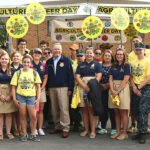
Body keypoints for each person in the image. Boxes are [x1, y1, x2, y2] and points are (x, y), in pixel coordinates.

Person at [44, 43, 74, 138]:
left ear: (61, 50)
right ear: (52, 51)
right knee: (55, 109)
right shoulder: (48, 62)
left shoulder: (66, 60)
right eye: (55, 49)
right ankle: (57, 126)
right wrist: (47, 88)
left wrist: (70, 88)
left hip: (63, 88)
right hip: (52, 88)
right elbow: (47, 77)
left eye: (58, 49)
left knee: (63, 109)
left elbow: (71, 76)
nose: (57, 51)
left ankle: (65, 128)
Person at [11, 55, 41, 142]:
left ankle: (33, 133)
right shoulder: (18, 73)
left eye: (28, 62)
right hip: (21, 96)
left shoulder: (34, 73)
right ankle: (24, 134)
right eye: (24, 62)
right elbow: (13, 87)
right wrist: (14, 99)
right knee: (23, 116)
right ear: (22, 62)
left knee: (33, 116)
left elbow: (38, 87)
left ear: (30, 63)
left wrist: (38, 98)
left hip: (31, 97)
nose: (26, 63)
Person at [76, 47, 102, 139]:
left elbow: (99, 76)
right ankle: (86, 129)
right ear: (85, 54)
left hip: (93, 87)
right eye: (87, 53)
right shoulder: (80, 65)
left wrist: (91, 86)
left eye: (90, 53)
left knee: (91, 109)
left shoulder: (97, 64)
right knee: (84, 109)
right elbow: (78, 77)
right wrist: (85, 87)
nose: (89, 55)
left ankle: (93, 131)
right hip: (83, 87)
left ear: (93, 54)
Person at [128, 36, 150, 133]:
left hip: (145, 87)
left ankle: (143, 132)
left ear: (144, 49)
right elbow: (130, 76)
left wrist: (139, 88)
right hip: (135, 87)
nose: (138, 51)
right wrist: (134, 87)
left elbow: (149, 77)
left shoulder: (148, 62)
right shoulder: (132, 62)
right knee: (135, 109)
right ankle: (139, 129)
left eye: (140, 49)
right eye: (136, 50)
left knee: (142, 109)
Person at [109, 48, 131, 140]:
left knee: (123, 112)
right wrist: (112, 89)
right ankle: (118, 131)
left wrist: (117, 91)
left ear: (124, 55)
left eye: (121, 54)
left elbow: (126, 79)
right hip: (113, 88)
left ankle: (124, 132)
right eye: (117, 54)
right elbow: (110, 78)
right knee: (116, 111)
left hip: (122, 88)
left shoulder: (127, 65)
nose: (119, 56)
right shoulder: (113, 65)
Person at [98, 50, 116, 135]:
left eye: (109, 55)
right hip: (102, 89)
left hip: (112, 89)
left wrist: (109, 85)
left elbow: (115, 77)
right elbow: (97, 77)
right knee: (103, 109)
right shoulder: (100, 66)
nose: (107, 57)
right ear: (103, 56)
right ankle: (103, 127)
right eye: (105, 55)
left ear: (111, 57)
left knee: (112, 109)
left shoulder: (114, 66)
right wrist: (102, 85)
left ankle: (114, 128)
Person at [0, 53, 17, 141]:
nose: (4, 61)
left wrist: (10, 95)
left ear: (9, 60)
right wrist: (0, 95)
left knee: (9, 114)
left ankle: (8, 132)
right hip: (0, 92)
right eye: (2, 59)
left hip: (10, 92)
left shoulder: (13, 70)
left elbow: (14, 84)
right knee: (0, 114)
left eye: (6, 59)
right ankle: (0, 133)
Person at [31, 48, 46, 136]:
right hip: (32, 90)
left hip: (41, 89)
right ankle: (34, 128)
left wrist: (41, 87)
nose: (37, 54)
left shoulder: (43, 65)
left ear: (41, 55)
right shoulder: (30, 64)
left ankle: (40, 128)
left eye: (39, 53)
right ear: (33, 54)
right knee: (33, 111)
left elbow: (46, 77)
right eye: (35, 53)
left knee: (40, 110)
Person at [11, 52, 23, 136]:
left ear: (20, 58)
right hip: (11, 90)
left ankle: (20, 128)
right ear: (11, 58)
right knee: (13, 111)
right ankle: (15, 128)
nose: (16, 57)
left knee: (20, 111)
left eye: (17, 56)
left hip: (20, 91)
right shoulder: (9, 66)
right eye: (14, 56)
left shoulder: (23, 67)